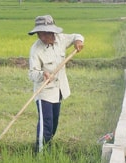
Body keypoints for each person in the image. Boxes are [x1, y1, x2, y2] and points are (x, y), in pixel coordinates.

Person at [28, 15, 84, 153]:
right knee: (46, 125)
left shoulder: (61, 39)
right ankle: (40, 156)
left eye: (43, 33)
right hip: (44, 92)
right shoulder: (36, 50)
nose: (41, 37)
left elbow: (77, 35)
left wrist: (78, 41)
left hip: (58, 90)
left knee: (53, 125)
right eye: (38, 33)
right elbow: (32, 74)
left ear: (51, 31)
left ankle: (48, 149)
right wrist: (43, 74)